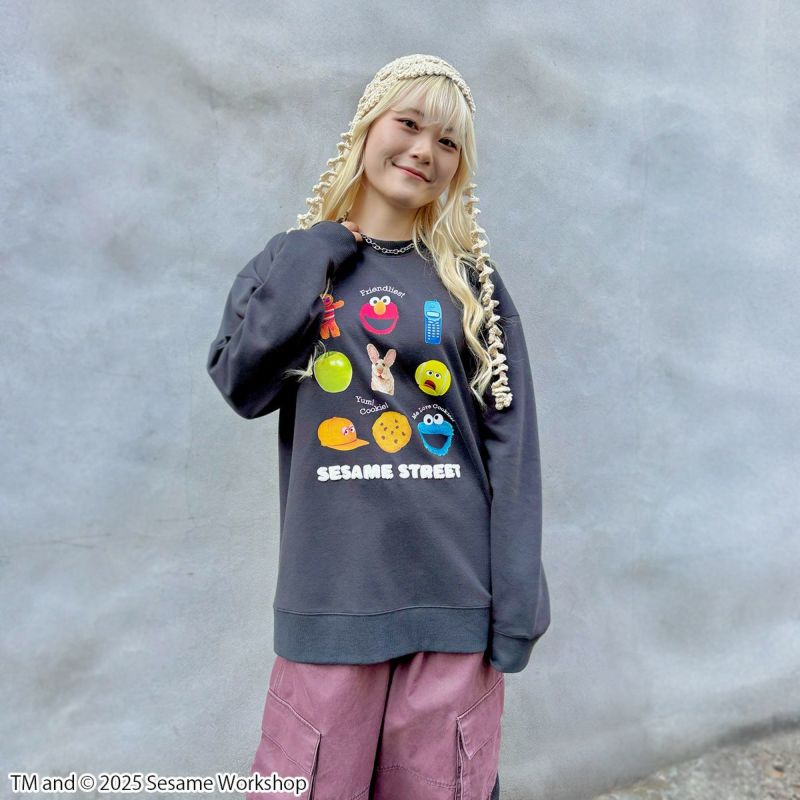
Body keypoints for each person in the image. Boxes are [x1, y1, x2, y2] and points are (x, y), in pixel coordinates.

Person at [206, 53, 550, 800]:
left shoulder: (473, 285)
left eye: (448, 141)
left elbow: (511, 445)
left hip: (455, 602)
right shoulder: (292, 261)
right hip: (333, 595)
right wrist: (316, 252)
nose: (425, 150)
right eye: (409, 123)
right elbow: (242, 382)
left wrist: (518, 601)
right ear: (367, 127)